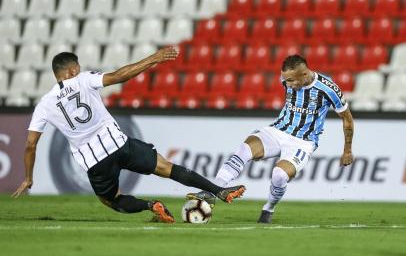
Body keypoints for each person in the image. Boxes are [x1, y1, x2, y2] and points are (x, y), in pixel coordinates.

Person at [12, 48, 246, 223]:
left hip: (94, 160)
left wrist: (28, 177)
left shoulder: (44, 104)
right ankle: (220, 191)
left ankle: (150, 205)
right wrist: (153, 59)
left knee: (110, 199)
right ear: (72, 70)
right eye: (78, 68)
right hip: (119, 144)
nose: (80, 71)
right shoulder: (82, 80)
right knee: (166, 167)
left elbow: (31, 145)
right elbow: (118, 76)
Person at [187, 54, 354, 223]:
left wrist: (347, 150)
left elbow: (347, 119)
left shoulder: (329, 89)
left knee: (279, 176)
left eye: (291, 81)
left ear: (304, 74)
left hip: (302, 142)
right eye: (285, 80)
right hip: (277, 130)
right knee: (245, 149)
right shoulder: (287, 80)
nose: (287, 84)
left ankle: (269, 208)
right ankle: (213, 191)